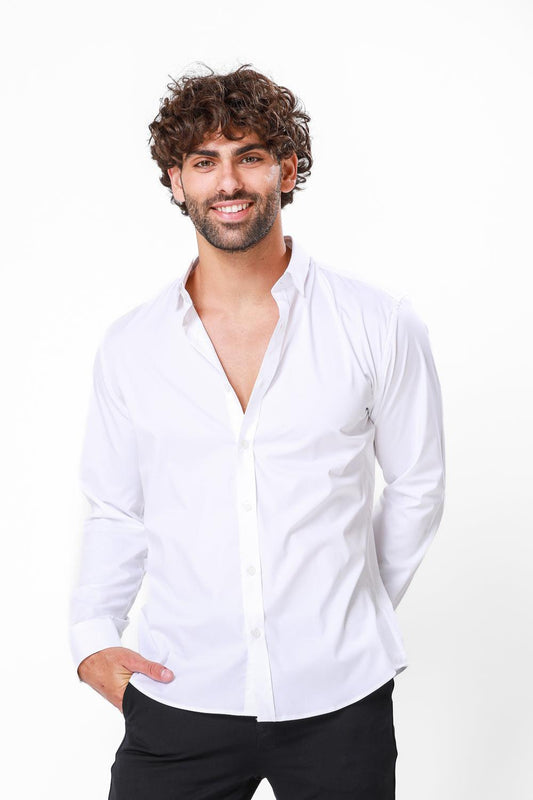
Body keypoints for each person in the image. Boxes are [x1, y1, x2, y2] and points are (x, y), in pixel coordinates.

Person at [69, 63, 446, 800]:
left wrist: (353, 607)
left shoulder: (377, 323)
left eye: (249, 156)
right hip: (179, 691)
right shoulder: (132, 346)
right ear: (177, 181)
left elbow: (417, 486)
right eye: (203, 162)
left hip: (341, 698)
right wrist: (92, 639)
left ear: (287, 169)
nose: (228, 182)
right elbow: (115, 508)